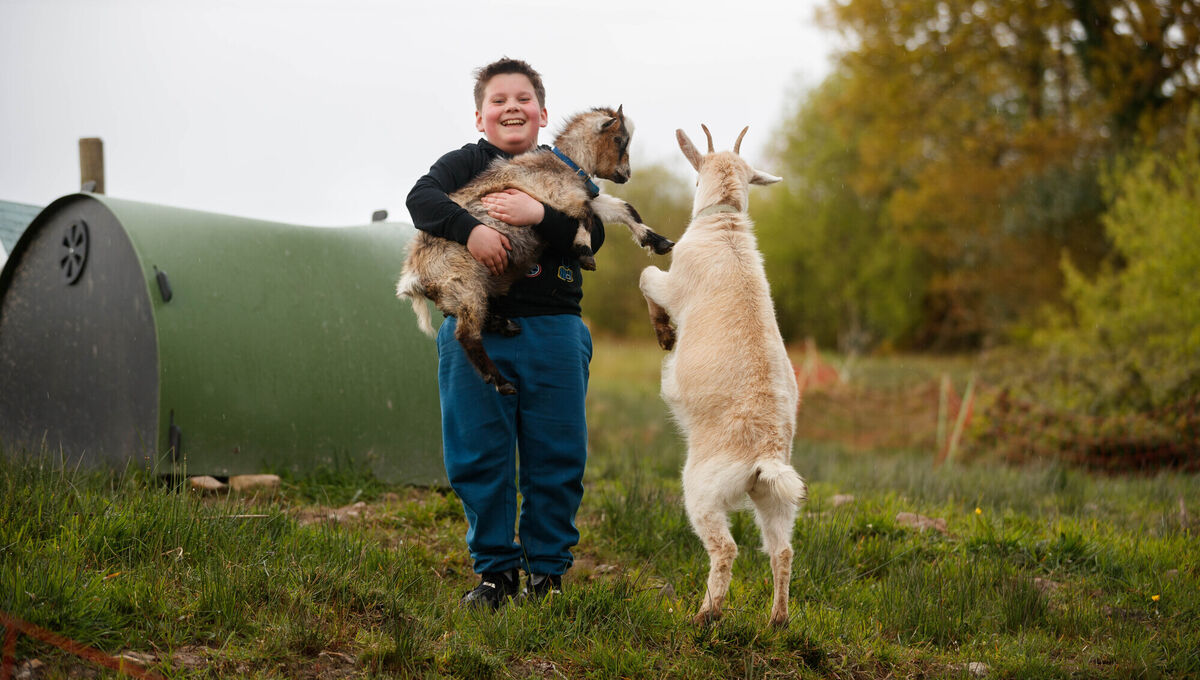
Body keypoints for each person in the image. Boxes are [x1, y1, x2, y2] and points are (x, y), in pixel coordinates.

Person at [405, 57, 604, 609]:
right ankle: (496, 575)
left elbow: (594, 233)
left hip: (556, 330)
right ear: (479, 117)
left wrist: (537, 213)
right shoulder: (464, 164)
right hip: (478, 331)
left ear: (542, 114)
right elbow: (420, 201)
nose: (511, 107)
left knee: (558, 455)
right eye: (498, 100)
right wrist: (470, 233)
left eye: (523, 99)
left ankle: (548, 574)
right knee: (479, 455)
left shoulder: (567, 169)